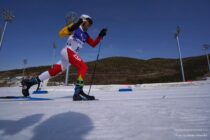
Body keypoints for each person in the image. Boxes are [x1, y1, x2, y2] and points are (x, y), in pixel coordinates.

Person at [21, 14, 107, 101]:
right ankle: (78, 91)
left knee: (54, 71)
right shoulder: (75, 27)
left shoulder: (86, 35)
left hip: (70, 56)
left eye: (90, 25)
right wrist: (74, 25)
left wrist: (100, 36)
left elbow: (93, 44)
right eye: (88, 23)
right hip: (68, 51)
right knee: (83, 67)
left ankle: (28, 83)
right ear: (83, 21)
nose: (89, 26)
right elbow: (61, 33)